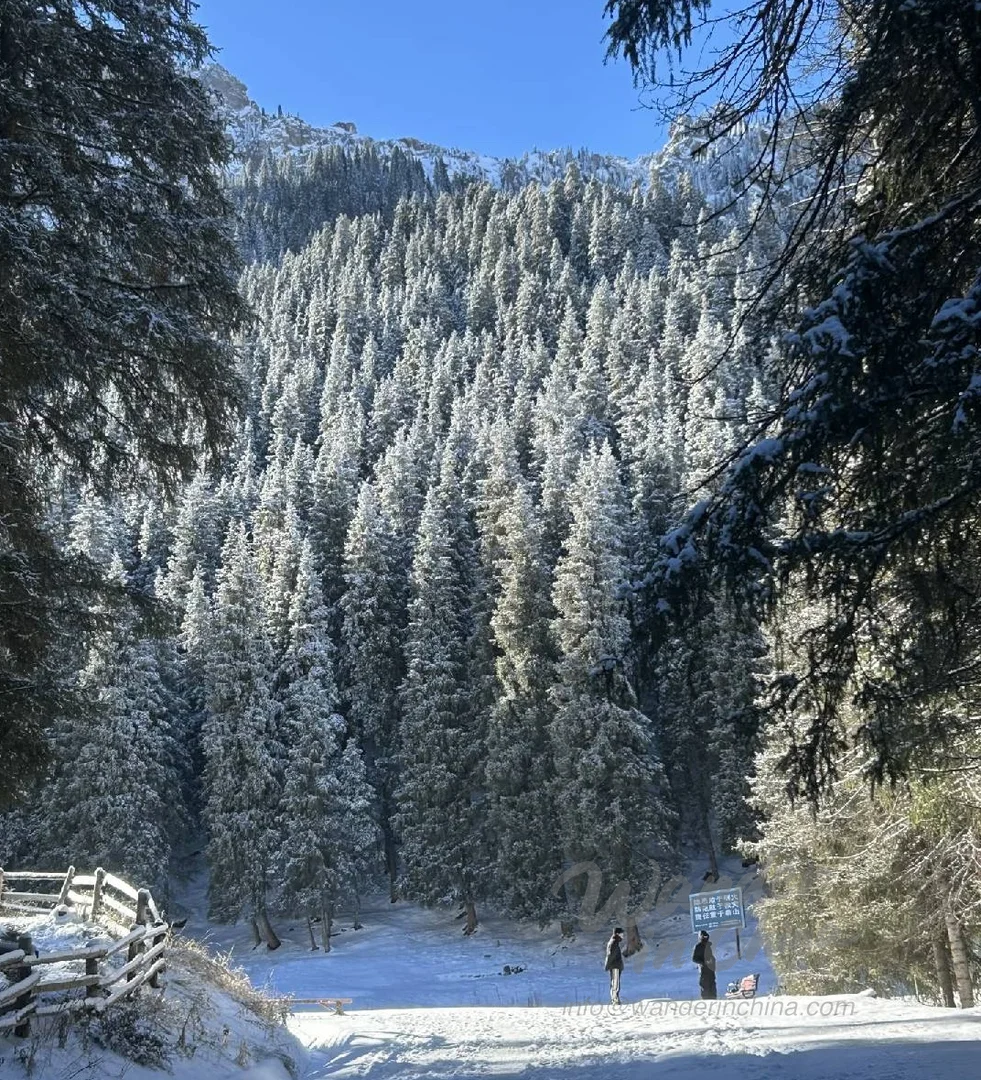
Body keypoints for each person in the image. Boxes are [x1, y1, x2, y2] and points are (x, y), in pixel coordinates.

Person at [692, 930, 717, 999]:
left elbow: (710, 956)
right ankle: (706, 1001)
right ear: (700, 937)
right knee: (705, 986)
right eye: (704, 937)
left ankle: (714, 999)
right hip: (703, 970)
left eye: (706, 937)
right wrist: (704, 962)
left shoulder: (708, 946)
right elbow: (694, 959)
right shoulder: (698, 946)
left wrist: (712, 963)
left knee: (712, 985)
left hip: (711, 969)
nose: (705, 938)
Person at [604, 926, 625, 1004]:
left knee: (615, 982)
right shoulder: (614, 942)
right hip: (615, 966)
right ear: (617, 934)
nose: (623, 935)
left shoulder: (615, 942)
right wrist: (608, 965)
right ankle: (615, 999)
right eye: (621, 934)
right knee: (615, 983)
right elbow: (610, 955)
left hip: (615, 965)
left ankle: (615, 998)